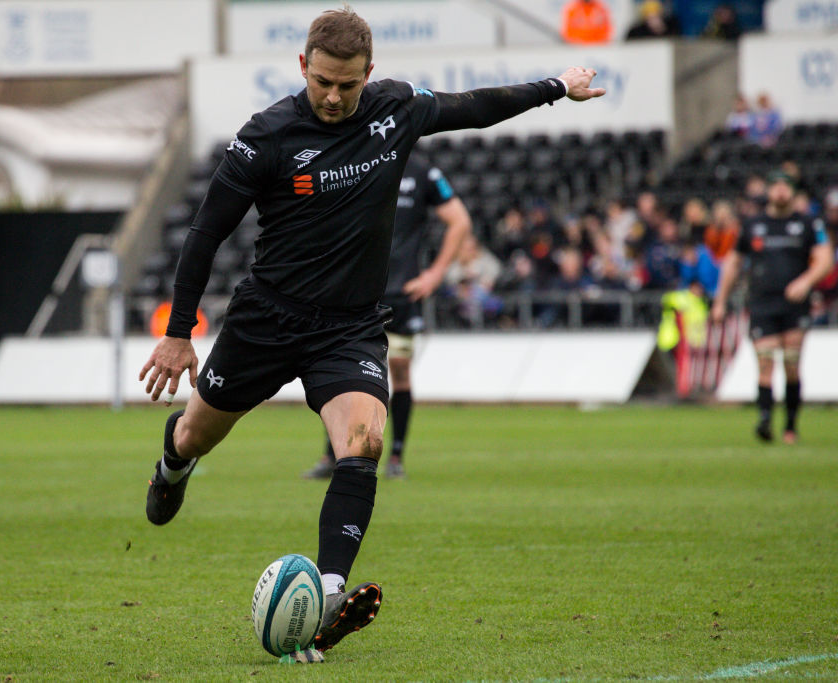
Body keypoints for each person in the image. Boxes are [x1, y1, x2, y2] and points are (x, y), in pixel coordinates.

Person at [137, 6, 604, 659]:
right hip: (266, 318)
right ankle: (171, 467)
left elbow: (475, 105)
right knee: (194, 433)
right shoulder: (264, 137)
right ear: (303, 66)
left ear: (369, 74)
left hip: (349, 326)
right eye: (323, 80)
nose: (332, 96)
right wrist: (179, 330)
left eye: (347, 84)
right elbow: (206, 230)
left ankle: (327, 596)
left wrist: (555, 87)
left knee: (364, 441)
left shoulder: (395, 110)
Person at [303, 150, 472, 480]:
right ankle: (333, 454)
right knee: (341, 369)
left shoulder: (423, 171)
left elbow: (460, 221)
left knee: (399, 369)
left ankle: (395, 457)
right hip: (355, 291)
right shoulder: (355, 162)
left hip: (402, 293)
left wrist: (435, 274)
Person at [711, 170, 833, 444]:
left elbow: (825, 259)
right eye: (775, 185)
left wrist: (806, 281)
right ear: (768, 190)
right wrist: (720, 301)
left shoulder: (809, 223)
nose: (780, 191)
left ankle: (790, 426)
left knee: (791, 364)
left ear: (792, 192)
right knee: (765, 362)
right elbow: (733, 263)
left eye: (785, 186)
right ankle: (765, 420)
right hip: (762, 302)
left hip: (795, 305)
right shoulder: (753, 224)